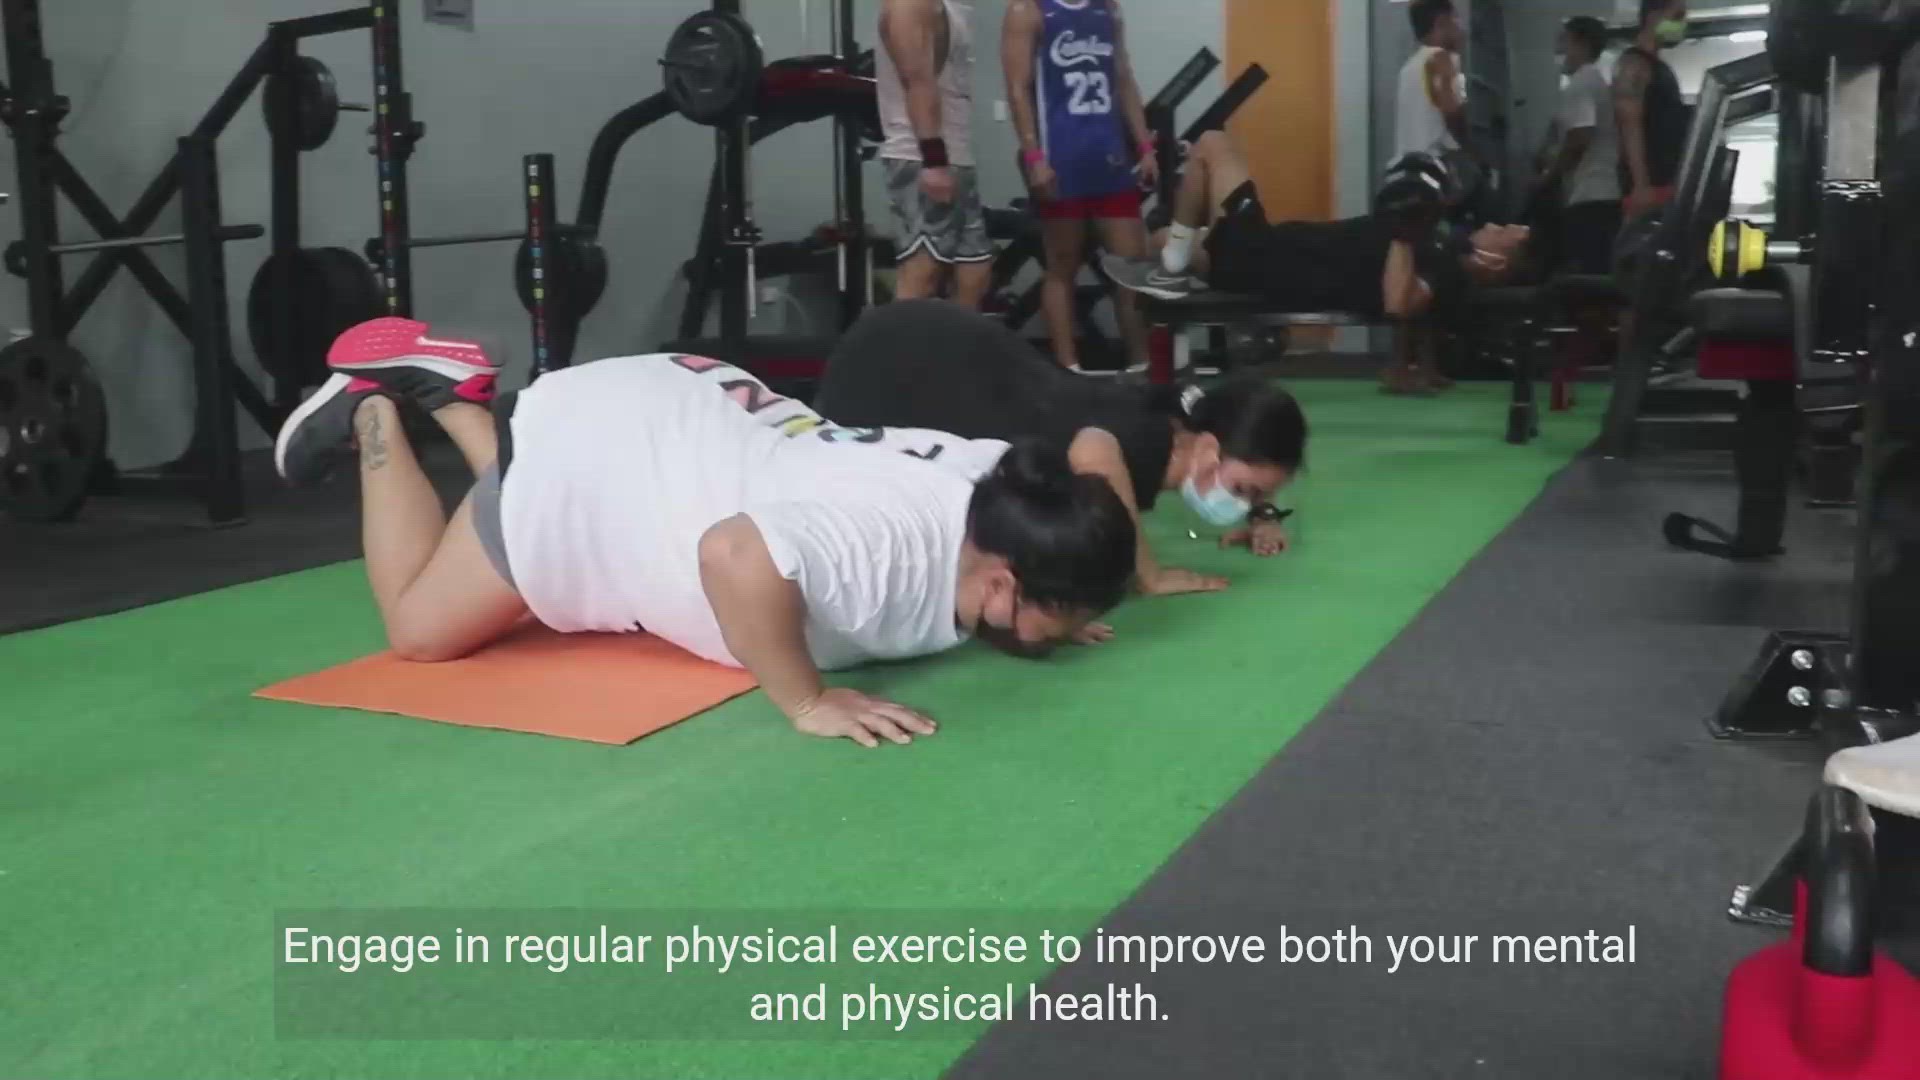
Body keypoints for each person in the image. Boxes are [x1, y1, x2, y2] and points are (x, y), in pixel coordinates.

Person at [271, 318, 1137, 749]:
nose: (1063, 633)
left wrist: (1072, 586)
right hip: (603, 466)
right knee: (419, 629)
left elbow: (1092, 451)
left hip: (678, 414)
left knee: (533, 485)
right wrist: (807, 701)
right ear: (1003, 584)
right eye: (1057, 614)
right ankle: (372, 405)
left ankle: (452, 394)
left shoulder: (1001, 488)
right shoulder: (885, 556)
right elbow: (733, 555)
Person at [810, 299, 1306, 596]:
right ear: (1210, 448)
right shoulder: (1141, 441)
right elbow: (1097, 453)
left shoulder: (1176, 417)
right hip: (891, 366)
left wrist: (1261, 516)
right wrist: (1148, 574)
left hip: (916, 342)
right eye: (1244, 491)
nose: (1240, 503)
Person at [1101, 130, 1531, 325]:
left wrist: (1403, 231)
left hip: (1265, 258)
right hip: (1264, 254)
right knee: (1156, 240)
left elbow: (1398, 305)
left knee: (1213, 144)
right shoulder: (1440, 247)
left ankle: (1173, 266)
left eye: (1503, 230)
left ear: (1495, 262)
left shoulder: (1446, 271)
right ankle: (1172, 260)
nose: (1494, 223)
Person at [1002, 0, 1158, 374]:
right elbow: (1017, 88)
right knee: (1062, 266)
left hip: (1109, 156)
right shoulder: (1028, 10)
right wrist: (1034, 156)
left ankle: (1143, 365)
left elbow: (1123, 77)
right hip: (1060, 158)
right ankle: (1067, 367)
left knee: (1133, 268)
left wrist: (1145, 147)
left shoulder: (1108, 8)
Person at [875, 0, 993, 306]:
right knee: (922, 273)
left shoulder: (950, 7)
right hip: (921, 156)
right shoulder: (909, 5)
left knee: (975, 270)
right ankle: (900, 339)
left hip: (956, 155)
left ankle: (954, 340)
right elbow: (918, 82)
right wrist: (935, 161)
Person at [1392, 0, 1474, 395]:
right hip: (1425, 178)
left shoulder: (1409, 67)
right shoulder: (1443, 59)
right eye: (1456, 20)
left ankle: (1422, 365)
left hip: (1403, 176)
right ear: (1442, 23)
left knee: (1422, 269)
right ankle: (1403, 367)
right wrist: (1470, 147)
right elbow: (1451, 109)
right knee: (1423, 272)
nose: (1461, 29)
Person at [1539, 16, 1622, 275]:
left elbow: (1581, 136)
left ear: (1582, 44)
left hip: (1591, 197)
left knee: (1589, 277)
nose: (1558, 49)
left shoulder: (1582, 82)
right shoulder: (1594, 81)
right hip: (1602, 194)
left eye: (1564, 41)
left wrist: (1549, 176)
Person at [1615, 0, 1690, 219]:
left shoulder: (1658, 67)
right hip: (1649, 190)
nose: (1683, 24)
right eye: (1677, 17)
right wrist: (1641, 186)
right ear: (1653, 16)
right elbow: (1629, 125)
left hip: (1666, 184)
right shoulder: (1633, 65)